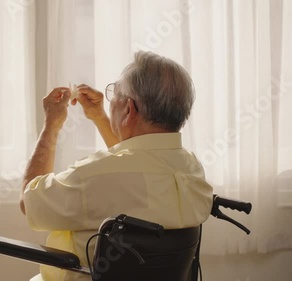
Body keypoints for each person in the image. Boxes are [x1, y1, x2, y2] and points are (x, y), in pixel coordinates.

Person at [20, 51, 213, 281]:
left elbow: (28, 200)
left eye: (115, 94)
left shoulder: (93, 176)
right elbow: (138, 166)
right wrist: (101, 117)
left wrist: (51, 125)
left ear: (129, 110)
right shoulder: (193, 170)